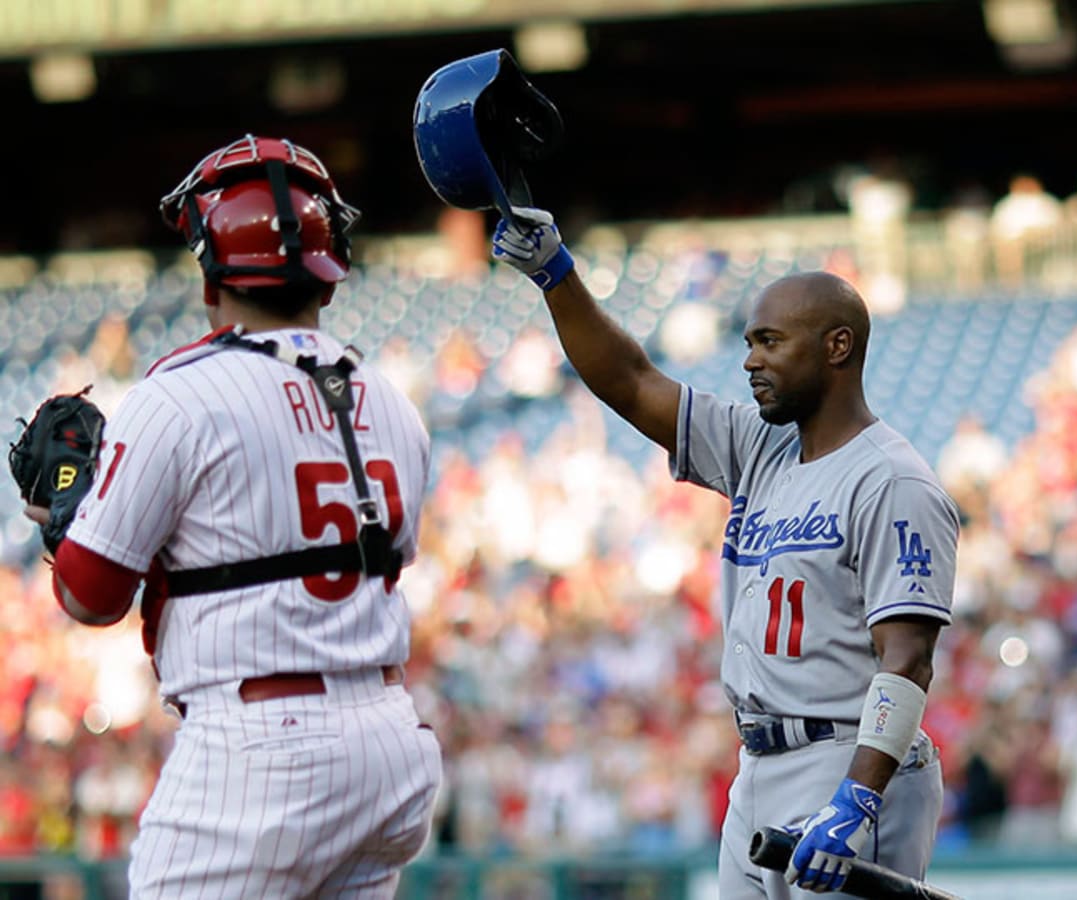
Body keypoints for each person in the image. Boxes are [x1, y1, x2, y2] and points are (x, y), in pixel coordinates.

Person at [491, 209, 958, 897]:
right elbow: (631, 382)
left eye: (770, 341)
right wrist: (555, 275)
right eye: (748, 341)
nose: (750, 360)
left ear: (836, 346)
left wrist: (859, 796)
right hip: (758, 768)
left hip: (849, 763)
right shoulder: (760, 445)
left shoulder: (893, 481)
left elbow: (908, 657)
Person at [24, 134, 441, 898]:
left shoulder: (177, 395)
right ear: (330, 275)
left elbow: (90, 596)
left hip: (262, 751)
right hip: (388, 738)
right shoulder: (393, 401)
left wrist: (63, 510)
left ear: (212, 273)